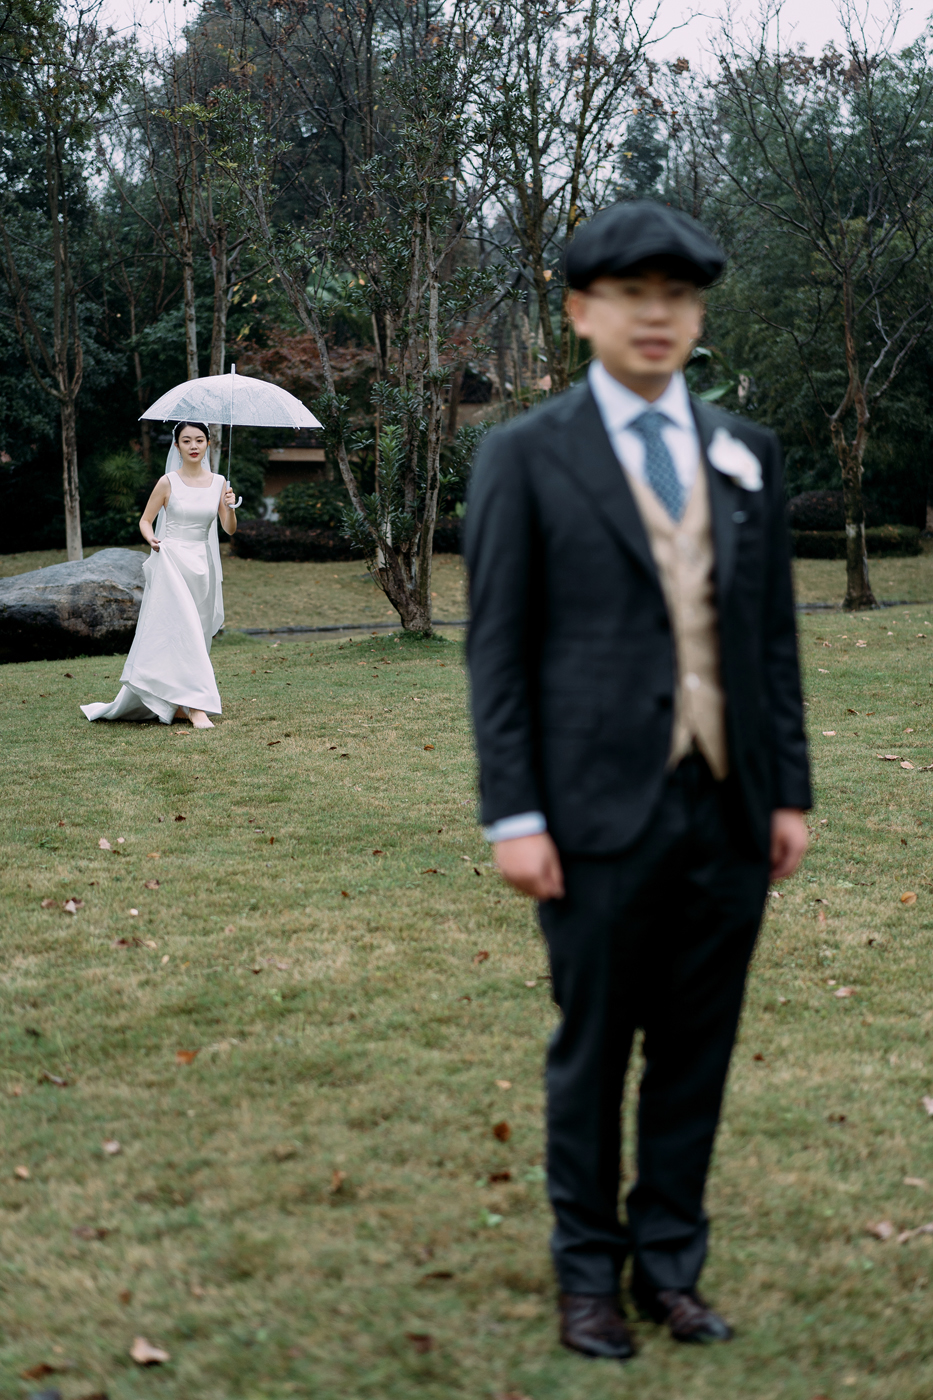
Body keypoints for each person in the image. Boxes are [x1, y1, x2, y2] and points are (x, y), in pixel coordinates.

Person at [464, 199, 810, 1362]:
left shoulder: (747, 452)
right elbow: (498, 652)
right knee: (596, 1048)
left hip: (729, 804)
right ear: (581, 311)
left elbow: (770, 640)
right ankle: (586, 1277)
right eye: (630, 294)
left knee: (697, 1049)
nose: (656, 314)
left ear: (697, 314)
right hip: (590, 814)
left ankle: (670, 1266)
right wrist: (515, 813)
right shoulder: (524, 455)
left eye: (678, 295)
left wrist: (788, 791)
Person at [81, 421, 237, 730]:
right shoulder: (168, 482)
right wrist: (151, 537)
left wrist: (230, 507)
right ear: (177, 446)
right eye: (186, 440)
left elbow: (229, 529)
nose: (194, 446)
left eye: (199, 440)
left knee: (196, 633)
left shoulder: (220, 483)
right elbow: (145, 520)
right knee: (179, 630)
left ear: (208, 444)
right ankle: (197, 708)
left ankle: (176, 703)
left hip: (202, 565)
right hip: (171, 562)